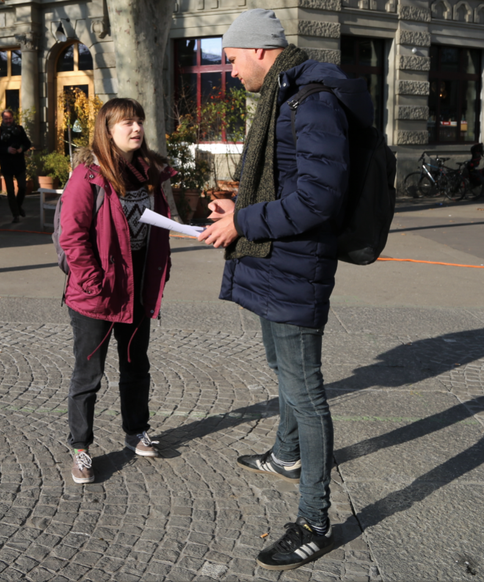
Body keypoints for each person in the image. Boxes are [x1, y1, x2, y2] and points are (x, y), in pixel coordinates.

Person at [198, 9, 373, 572]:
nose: (229, 70)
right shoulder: (284, 96)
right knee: (282, 366)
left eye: (231, 59)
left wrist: (242, 223)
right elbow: (292, 186)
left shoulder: (309, 101)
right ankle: (285, 455)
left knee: (306, 391)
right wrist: (240, 208)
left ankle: (314, 520)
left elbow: (318, 200)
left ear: (260, 52)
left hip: (297, 268)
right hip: (279, 265)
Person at [59, 98, 175, 484]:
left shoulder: (149, 173)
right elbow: (72, 238)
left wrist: (162, 267)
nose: (136, 128)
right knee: (88, 374)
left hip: (139, 286)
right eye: (126, 122)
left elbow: (158, 226)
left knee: (135, 365)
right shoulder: (88, 177)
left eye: (139, 120)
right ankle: (80, 447)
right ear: (107, 131)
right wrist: (93, 284)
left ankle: (136, 432)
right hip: (97, 292)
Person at [0, 110, 32, 223]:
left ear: (13, 118)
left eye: (10, 118)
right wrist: (7, 150)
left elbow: (28, 143)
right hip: (6, 164)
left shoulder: (19, 129)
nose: (8, 121)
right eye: (6, 119)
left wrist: (21, 149)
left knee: (23, 187)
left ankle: (18, 207)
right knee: (10, 190)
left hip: (19, 163)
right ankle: (15, 214)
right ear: (2, 119)